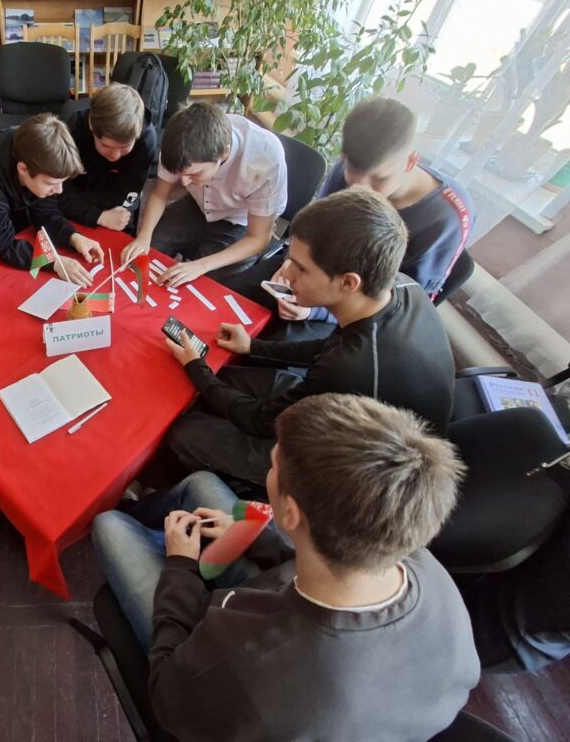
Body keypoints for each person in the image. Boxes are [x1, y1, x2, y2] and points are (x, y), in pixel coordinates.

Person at [92, 393, 480, 741]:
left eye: (273, 465)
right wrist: (264, 541)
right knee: (202, 484)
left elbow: (167, 698)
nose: (270, 471)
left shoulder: (245, 660)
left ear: (290, 513)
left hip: (212, 674)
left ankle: (133, 517)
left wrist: (181, 567)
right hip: (320, 655)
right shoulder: (417, 558)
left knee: (109, 525)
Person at [163, 187, 455, 484]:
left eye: (301, 269)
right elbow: (329, 346)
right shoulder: (400, 287)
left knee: (185, 432)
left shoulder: (351, 367)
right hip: (343, 407)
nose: (287, 274)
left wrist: (196, 367)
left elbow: (259, 421)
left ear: (348, 282)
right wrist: (253, 346)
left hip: (347, 468)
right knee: (222, 377)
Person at [239, 97, 474, 343]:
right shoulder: (343, 171)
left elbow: (402, 305)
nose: (361, 189)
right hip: (310, 272)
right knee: (232, 297)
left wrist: (316, 311)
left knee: (276, 351)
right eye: (353, 172)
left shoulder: (445, 220)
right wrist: (291, 264)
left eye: (379, 179)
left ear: (411, 162)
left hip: (356, 309)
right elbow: (310, 231)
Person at [121, 102, 287, 287]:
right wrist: (144, 236)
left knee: (209, 284)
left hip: (240, 220)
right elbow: (159, 195)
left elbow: (258, 238)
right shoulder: (177, 144)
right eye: (179, 174)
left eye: (194, 174)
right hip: (197, 204)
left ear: (223, 153)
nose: (184, 183)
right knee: (150, 248)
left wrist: (201, 266)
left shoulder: (265, 162)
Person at [0, 113, 103, 283]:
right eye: (52, 184)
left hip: (4, 200)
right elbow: (4, 246)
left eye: (62, 182)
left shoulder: (36, 154)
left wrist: (74, 237)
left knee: (27, 258)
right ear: (23, 169)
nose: (59, 191)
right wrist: (55, 262)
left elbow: (46, 213)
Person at [58, 83, 157, 232]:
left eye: (124, 146)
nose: (115, 156)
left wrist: (89, 208)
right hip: (80, 186)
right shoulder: (72, 130)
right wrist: (99, 216)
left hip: (114, 200)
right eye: (106, 146)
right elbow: (59, 193)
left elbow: (127, 196)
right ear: (91, 125)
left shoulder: (146, 140)